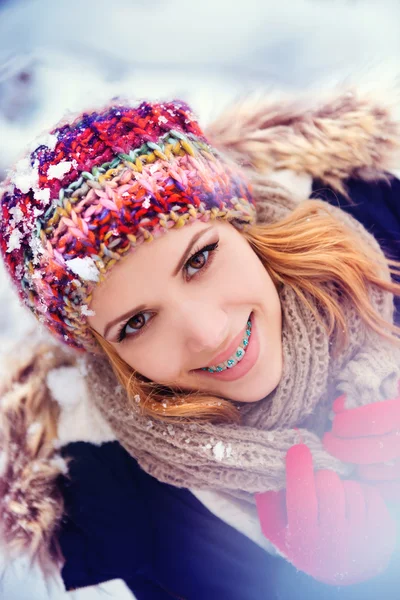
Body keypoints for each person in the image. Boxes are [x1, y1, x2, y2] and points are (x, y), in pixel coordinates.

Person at [1, 88, 400, 600]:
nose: (210, 334)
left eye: (199, 260)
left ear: (238, 225)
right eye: (138, 322)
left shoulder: (379, 215)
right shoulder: (120, 506)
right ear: (104, 350)